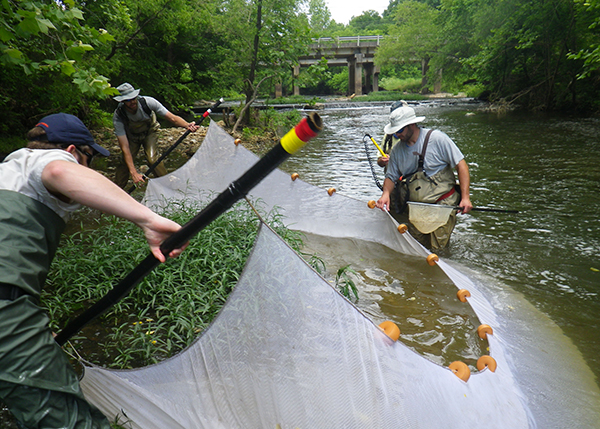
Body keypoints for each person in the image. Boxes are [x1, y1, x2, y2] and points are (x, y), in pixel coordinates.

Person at [0, 113, 187, 428]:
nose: (89, 170)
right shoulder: (48, 161)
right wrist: (148, 219)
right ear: (74, 151)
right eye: (89, 160)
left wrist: (33, 325)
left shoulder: (8, 172)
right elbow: (59, 170)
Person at [375, 103, 472, 249]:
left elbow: (461, 166)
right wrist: (386, 194)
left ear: (412, 125)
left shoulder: (438, 139)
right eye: (394, 132)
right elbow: (391, 176)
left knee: (438, 250)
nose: (397, 135)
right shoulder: (396, 151)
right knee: (418, 248)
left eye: (400, 130)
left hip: (442, 204)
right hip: (416, 208)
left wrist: (465, 198)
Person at [112, 82, 199, 188]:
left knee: (153, 160)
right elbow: (125, 147)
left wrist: (187, 125)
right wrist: (134, 173)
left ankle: (168, 187)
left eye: (133, 98)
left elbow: (172, 118)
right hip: (132, 137)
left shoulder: (148, 102)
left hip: (150, 132)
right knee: (125, 164)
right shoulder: (119, 115)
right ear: (122, 101)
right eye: (127, 100)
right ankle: (116, 191)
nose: (132, 102)